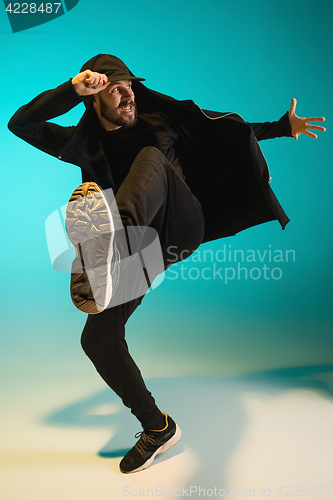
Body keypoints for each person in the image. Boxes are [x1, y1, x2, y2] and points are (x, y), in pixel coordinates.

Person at [8, 54, 325, 474]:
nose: (127, 94)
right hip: (145, 250)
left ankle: (107, 244)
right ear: (93, 98)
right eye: (114, 88)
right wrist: (71, 89)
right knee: (98, 339)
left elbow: (229, 128)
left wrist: (283, 128)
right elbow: (20, 125)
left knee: (151, 158)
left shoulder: (161, 123)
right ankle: (157, 428)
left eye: (129, 86)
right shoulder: (81, 143)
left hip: (181, 222)